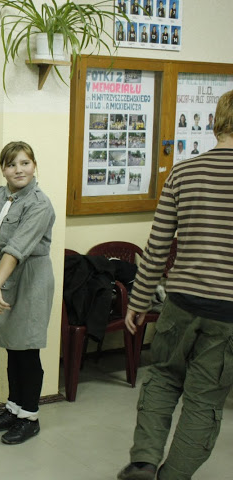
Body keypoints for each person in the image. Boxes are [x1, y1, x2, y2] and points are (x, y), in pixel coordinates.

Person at [117, 90, 233, 480]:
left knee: (162, 379)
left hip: (179, 303)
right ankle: (174, 476)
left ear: (216, 121)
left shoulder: (183, 173)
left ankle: (144, 462)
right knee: (204, 400)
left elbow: (157, 246)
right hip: (227, 314)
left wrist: (138, 300)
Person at [0, 141, 55, 445]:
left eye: (25, 163)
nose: (19, 170)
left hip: (29, 278)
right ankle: (13, 408)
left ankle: (29, 417)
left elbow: (17, 248)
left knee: (26, 348)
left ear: (34, 166)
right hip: (2, 275)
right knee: (12, 345)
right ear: (3, 169)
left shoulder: (40, 204)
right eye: (11, 164)